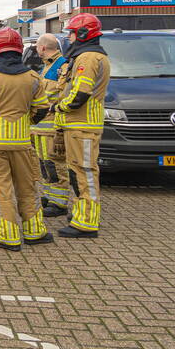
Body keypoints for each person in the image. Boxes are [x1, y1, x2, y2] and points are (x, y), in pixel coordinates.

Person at [0, 28, 52, 251]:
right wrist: (27, 121)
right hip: (22, 143)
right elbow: (42, 109)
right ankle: (34, 232)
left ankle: (8, 236)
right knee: (28, 188)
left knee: (0, 189)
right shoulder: (33, 77)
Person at [55, 14, 111, 239]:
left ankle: (87, 222)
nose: (69, 38)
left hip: (83, 124)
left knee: (84, 172)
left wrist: (59, 107)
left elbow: (80, 94)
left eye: (71, 33)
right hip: (80, 125)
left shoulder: (87, 58)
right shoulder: (89, 56)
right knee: (77, 170)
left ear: (83, 33)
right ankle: (81, 215)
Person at [32, 34, 69, 216]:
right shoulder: (47, 67)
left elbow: (63, 97)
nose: (36, 50)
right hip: (41, 128)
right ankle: (49, 196)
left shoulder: (62, 68)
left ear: (44, 48)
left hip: (53, 128)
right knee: (44, 165)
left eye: (37, 47)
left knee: (55, 165)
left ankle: (59, 202)